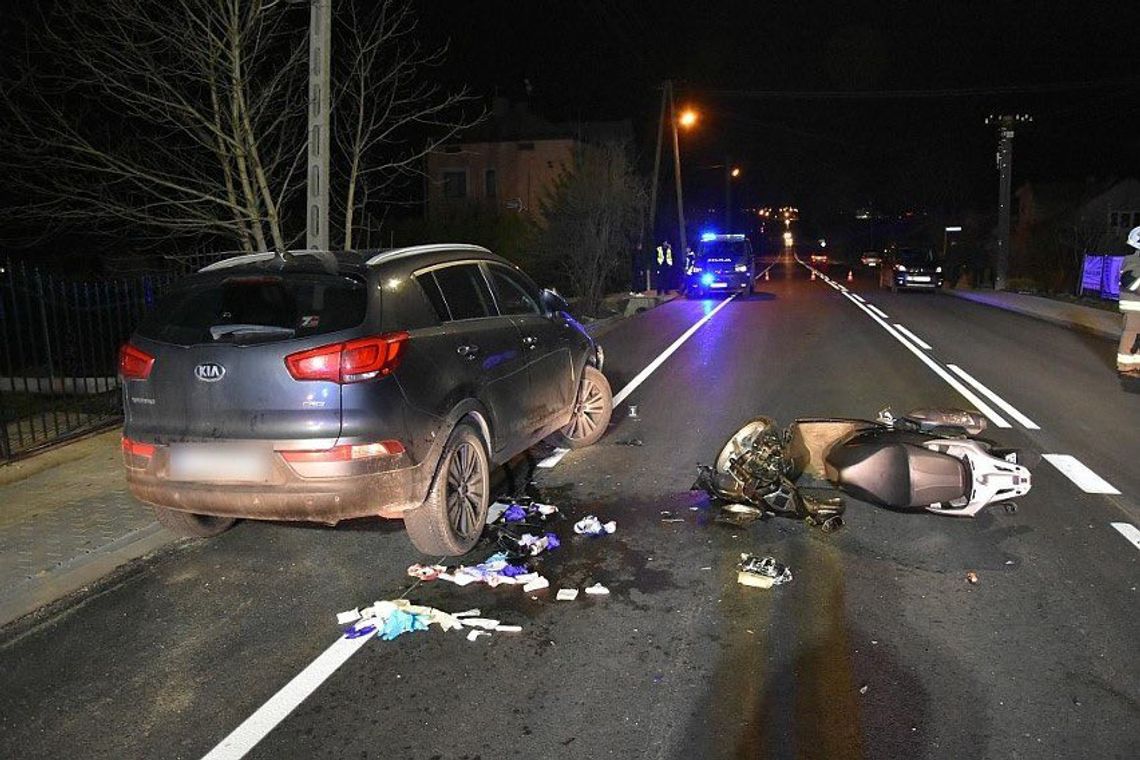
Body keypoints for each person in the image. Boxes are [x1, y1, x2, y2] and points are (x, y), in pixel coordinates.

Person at [1118, 226, 1140, 392]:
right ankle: (1126, 368)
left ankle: (1135, 366)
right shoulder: (1133, 260)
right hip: (1134, 307)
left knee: (1137, 339)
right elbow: (1131, 281)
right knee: (1131, 336)